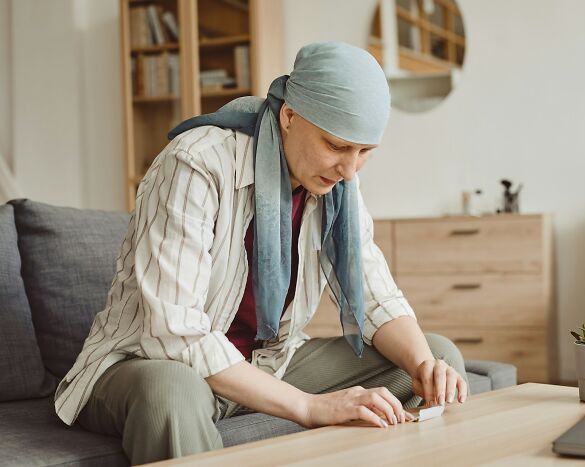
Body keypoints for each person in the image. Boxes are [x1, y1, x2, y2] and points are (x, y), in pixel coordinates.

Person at [54, 41, 469, 464]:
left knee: (436, 358)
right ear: (289, 116)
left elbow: (374, 294)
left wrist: (423, 365)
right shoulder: (195, 163)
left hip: (268, 362)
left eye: (364, 152)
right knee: (172, 393)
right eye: (337, 146)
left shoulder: (337, 183)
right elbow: (175, 334)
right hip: (150, 364)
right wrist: (309, 406)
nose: (350, 169)